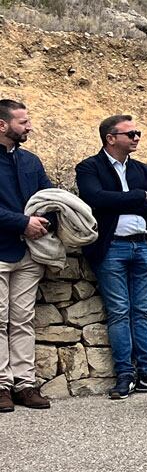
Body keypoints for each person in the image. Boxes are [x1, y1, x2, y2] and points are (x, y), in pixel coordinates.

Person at [75, 115, 147, 399]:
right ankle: (125, 375)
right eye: (130, 134)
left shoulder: (143, 169)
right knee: (119, 312)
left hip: (144, 246)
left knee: (141, 312)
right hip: (111, 247)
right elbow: (95, 199)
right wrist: (138, 197)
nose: (136, 137)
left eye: (137, 133)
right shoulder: (89, 167)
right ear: (110, 138)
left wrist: (128, 200)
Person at [0, 100, 55, 413]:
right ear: (2, 125)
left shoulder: (31, 160)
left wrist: (47, 222)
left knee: (22, 320)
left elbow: (50, 197)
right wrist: (23, 222)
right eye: (23, 122)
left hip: (29, 253)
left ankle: (25, 384)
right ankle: (1, 386)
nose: (29, 127)